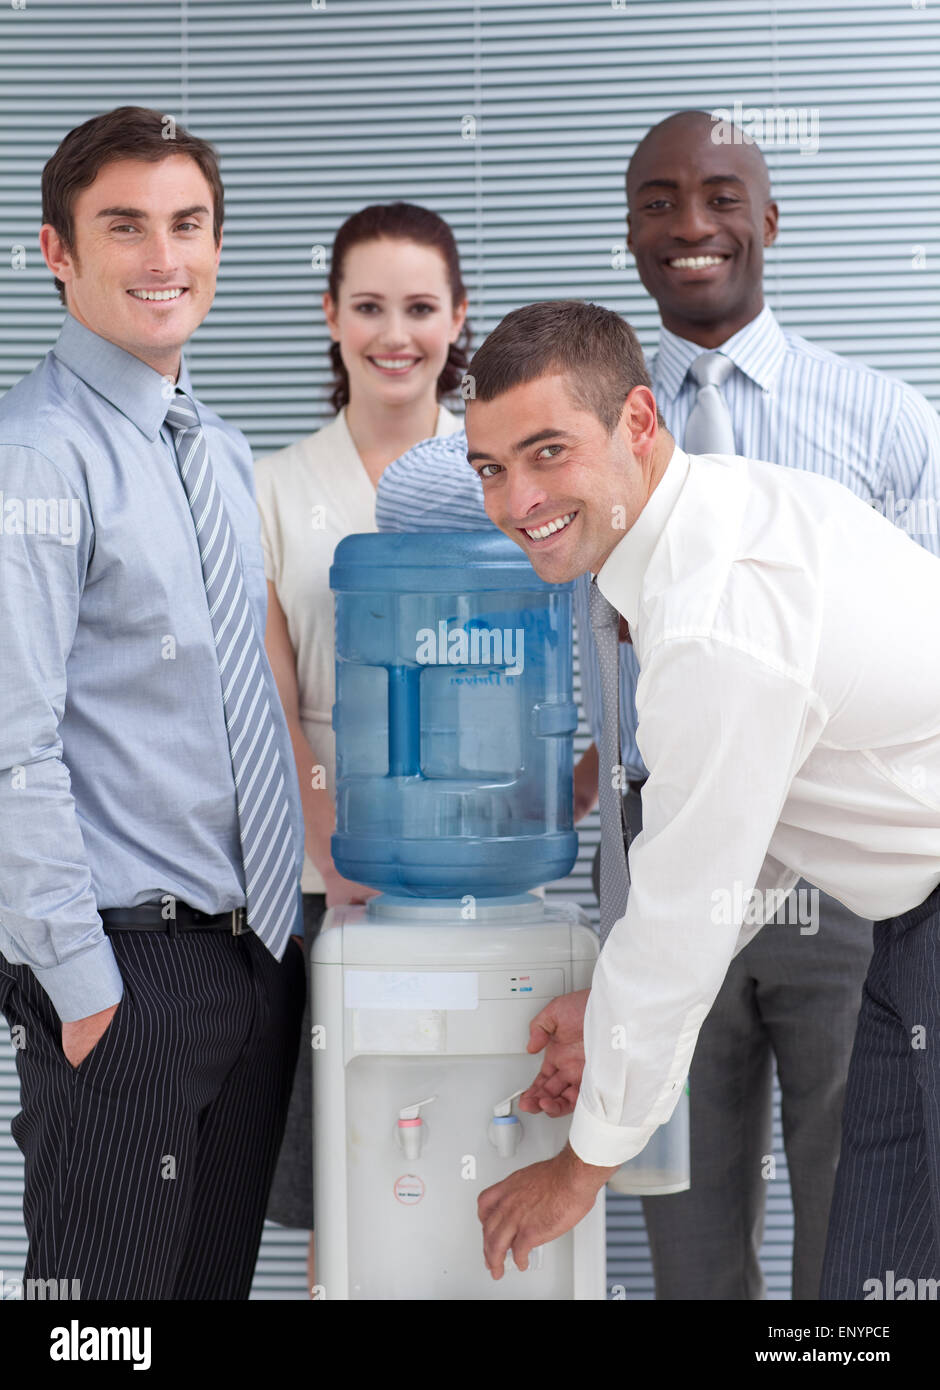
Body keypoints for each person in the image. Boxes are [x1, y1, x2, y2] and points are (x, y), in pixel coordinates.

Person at [376, 109, 940, 1299]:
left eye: (547, 453)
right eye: (490, 466)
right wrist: (608, 1007)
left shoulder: (710, 615)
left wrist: (577, 1171)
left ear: (639, 425)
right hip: (902, 931)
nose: (513, 500)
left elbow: (685, 905)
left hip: (915, 930)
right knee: (874, 1277)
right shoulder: (726, 509)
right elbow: (751, 840)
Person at [0, 106, 305, 1300]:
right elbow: (10, 746)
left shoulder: (220, 452)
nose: (163, 256)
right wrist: (84, 992)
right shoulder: (35, 457)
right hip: (127, 972)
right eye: (124, 226)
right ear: (57, 252)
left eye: (188, 224)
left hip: (245, 960)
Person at [255, 202, 468, 1290]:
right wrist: (332, 846)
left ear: (457, 317)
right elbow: (276, 694)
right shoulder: (274, 487)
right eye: (370, 305)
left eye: (420, 307)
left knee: (459, 1151)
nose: (397, 333)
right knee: (342, 1175)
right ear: (331, 316)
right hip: (317, 879)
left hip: (463, 874)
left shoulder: (493, 479)